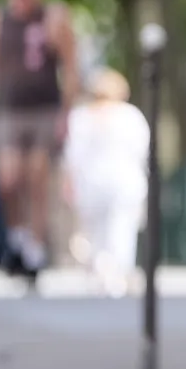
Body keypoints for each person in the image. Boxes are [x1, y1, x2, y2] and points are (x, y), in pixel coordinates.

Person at [0, 0, 77, 281]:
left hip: (44, 107)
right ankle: (17, 237)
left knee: (38, 174)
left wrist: (66, 114)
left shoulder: (53, 19)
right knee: (8, 177)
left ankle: (35, 246)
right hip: (9, 109)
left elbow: (71, 67)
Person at [64, 68, 151, 297]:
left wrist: (70, 184)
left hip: (92, 182)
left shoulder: (81, 117)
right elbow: (141, 151)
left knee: (96, 233)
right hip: (124, 181)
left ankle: (102, 273)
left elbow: (73, 156)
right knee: (121, 231)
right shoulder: (131, 116)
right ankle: (117, 275)